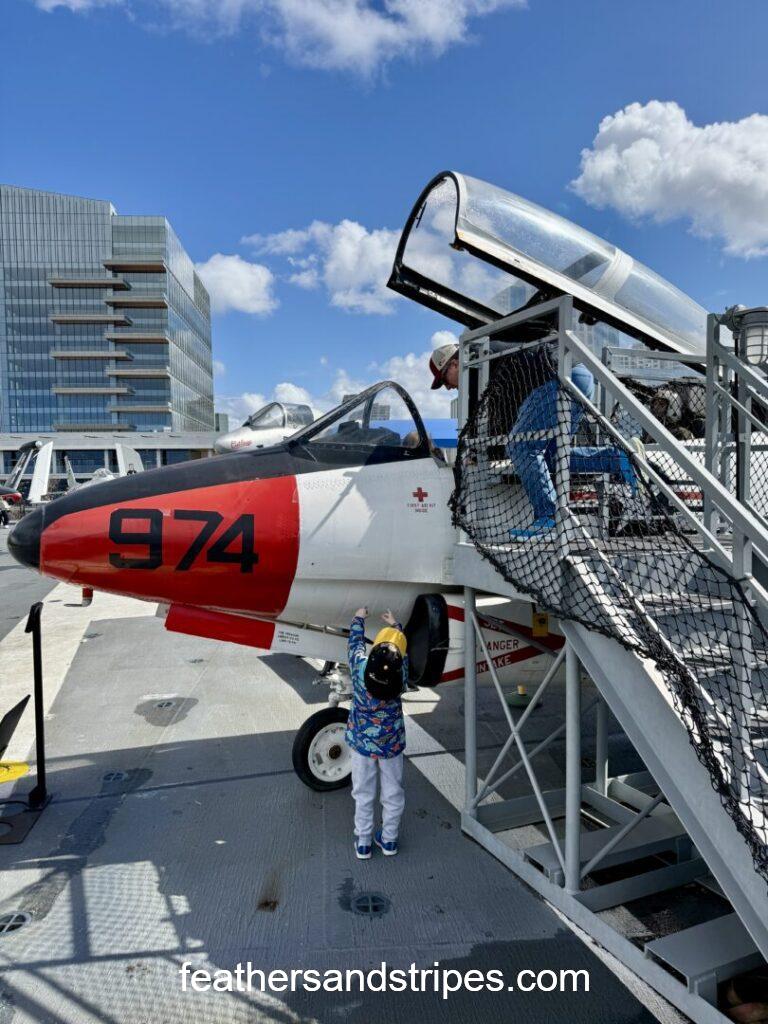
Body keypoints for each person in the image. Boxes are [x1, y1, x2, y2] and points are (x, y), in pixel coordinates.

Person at [507, 360, 641, 538]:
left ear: (455, 364)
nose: (455, 389)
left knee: (521, 445)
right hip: (580, 377)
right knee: (554, 456)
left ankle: (549, 519)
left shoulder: (482, 356)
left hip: (557, 378)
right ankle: (617, 458)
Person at [346, 607, 409, 860]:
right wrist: (397, 627)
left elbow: (354, 646)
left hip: (362, 745)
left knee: (363, 793)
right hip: (391, 747)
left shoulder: (360, 669)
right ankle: (389, 840)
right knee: (393, 793)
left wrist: (359, 619)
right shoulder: (400, 677)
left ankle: (363, 842)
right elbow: (401, 657)